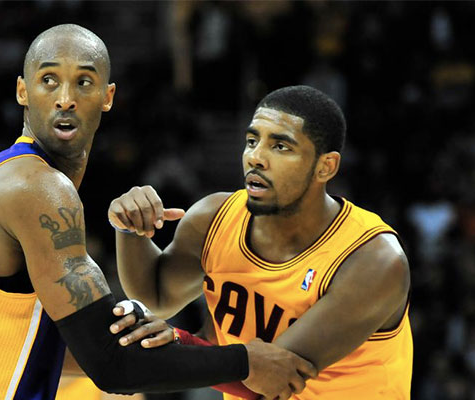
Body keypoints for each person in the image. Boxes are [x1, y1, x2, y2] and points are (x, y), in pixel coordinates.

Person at [0, 25, 317, 400]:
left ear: (108, 96)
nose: (65, 97)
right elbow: (111, 364)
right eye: (48, 81)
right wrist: (245, 362)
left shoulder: (19, 179)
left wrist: (187, 347)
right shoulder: (36, 187)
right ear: (22, 91)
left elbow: (65, 351)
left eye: (83, 81)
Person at [108, 85, 413, 400]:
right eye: (252, 141)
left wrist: (177, 342)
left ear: (326, 166)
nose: (256, 157)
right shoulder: (214, 218)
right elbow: (157, 295)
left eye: (280, 146)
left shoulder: (373, 259)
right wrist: (130, 228)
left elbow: (272, 381)